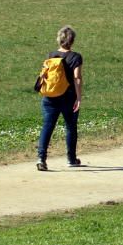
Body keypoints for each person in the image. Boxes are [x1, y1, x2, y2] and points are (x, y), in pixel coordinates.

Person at [36, 26, 83, 170]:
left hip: (50, 97)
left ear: (59, 39)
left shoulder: (52, 55)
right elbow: (77, 78)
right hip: (68, 98)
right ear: (72, 41)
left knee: (48, 126)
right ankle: (71, 158)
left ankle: (41, 159)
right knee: (70, 127)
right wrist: (79, 98)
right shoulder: (76, 57)